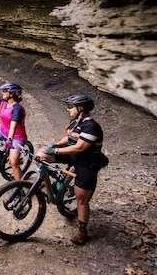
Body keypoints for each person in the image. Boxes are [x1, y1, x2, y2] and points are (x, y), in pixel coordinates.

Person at [36, 94, 106, 245]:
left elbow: (80, 147)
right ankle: (57, 182)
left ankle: (82, 232)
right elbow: (68, 139)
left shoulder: (91, 126)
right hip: (74, 157)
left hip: (87, 163)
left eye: (71, 107)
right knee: (41, 155)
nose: (68, 109)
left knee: (81, 199)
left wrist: (56, 152)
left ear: (80, 109)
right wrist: (53, 147)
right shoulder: (76, 122)